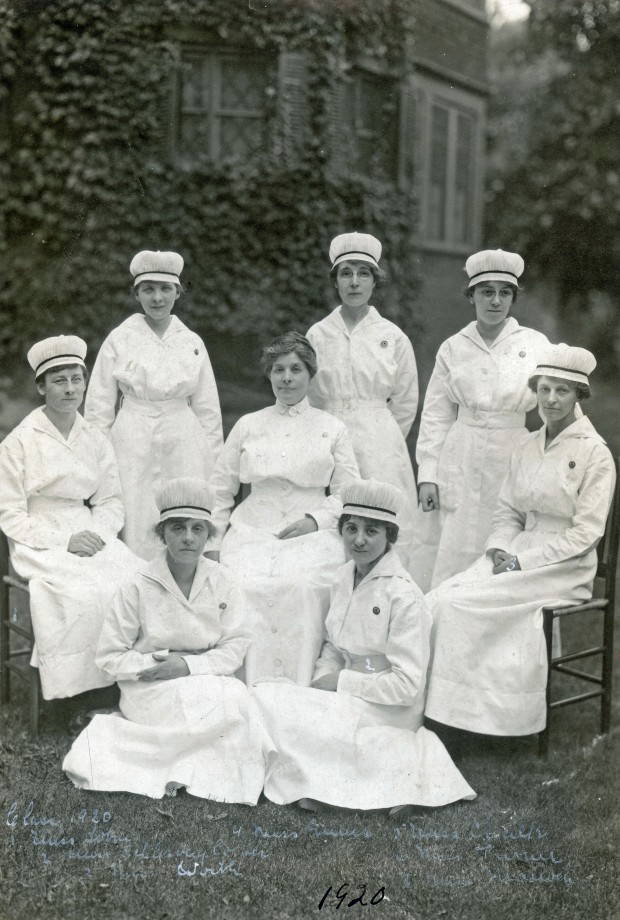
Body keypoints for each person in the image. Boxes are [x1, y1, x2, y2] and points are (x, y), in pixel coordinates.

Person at [424, 345, 616, 737]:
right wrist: (498, 549)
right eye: (544, 389)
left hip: (565, 566)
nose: (551, 399)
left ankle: (488, 716)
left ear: (579, 394)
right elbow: (508, 511)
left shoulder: (596, 454)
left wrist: (522, 563)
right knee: (441, 597)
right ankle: (449, 710)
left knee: (461, 604)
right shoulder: (526, 445)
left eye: (562, 390)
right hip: (518, 550)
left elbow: (586, 534)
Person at [251, 480, 476, 812]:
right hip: (347, 695)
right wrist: (320, 684)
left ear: (389, 537)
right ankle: (321, 778)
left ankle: (333, 782)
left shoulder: (403, 595)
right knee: (265, 696)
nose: (359, 540)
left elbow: (408, 686)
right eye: (351, 529)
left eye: (371, 531)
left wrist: (342, 683)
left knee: (292, 716)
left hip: (387, 710)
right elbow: (332, 645)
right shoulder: (343, 578)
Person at [62, 478, 264, 803]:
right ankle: (171, 762)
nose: (188, 538)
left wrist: (186, 665)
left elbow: (235, 646)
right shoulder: (137, 586)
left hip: (206, 677)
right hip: (150, 689)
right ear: (162, 533)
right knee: (219, 714)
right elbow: (110, 656)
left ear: (208, 534)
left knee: (237, 700)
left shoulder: (223, 580)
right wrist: (155, 666)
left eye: (198, 529)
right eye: (178, 527)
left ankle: (182, 765)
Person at [208, 331, 360, 686]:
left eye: (296, 369)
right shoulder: (249, 425)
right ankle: (246, 688)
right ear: (270, 374)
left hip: (312, 532)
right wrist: (213, 544)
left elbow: (348, 493)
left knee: (303, 586)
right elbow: (220, 489)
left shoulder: (332, 428)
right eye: (279, 370)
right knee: (243, 586)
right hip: (251, 530)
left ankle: (302, 688)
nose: (287, 378)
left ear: (310, 375)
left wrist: (317, 520)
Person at [0, 336, 142, 700]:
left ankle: (125, 682)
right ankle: (74, 693)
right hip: (39, 536)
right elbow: (10, 515)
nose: (70, 389)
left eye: (76, 379)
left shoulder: (94, 437)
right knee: (78, 591)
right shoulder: (18, 443)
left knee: (135, 580)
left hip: (88, 529)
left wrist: (96, 534)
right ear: (41, 386)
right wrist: (64, 542)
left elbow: (110, 500)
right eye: (59, 380)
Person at [413, 248, 551, 591]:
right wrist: (428, 474)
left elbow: (559, 401)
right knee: (454, 544)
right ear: (471, 295)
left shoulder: (534, 345)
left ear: (513, 298)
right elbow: (436, 413)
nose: (495, 301)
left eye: (505, 293)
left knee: (504, 537)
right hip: (460, 454)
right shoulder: (453, 348)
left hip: (511, 453)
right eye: (486, 291)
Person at [84, 250, 223, 560]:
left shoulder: (191, 341)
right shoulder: (120, 339)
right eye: (148, 289)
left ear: (177, 292)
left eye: (165, 289)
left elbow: (208, 410)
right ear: (137, 294)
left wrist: (212, 465)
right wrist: (99, 459)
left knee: (182, 509)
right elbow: (99, 406)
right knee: (136, 509)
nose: (157, 297)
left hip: (182, 436)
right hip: (132, 435)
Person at [306, 232, 419, 575]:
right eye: (346, 272)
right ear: (336, 281)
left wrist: (380, 433)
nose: (354, 281)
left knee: (386, 525)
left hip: (382, 442)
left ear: (374, 281)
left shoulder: (392, 336)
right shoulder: (318, 334)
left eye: (363, 273)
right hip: (330, 437)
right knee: (336, 524)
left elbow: (405, 399)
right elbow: (310, 396)